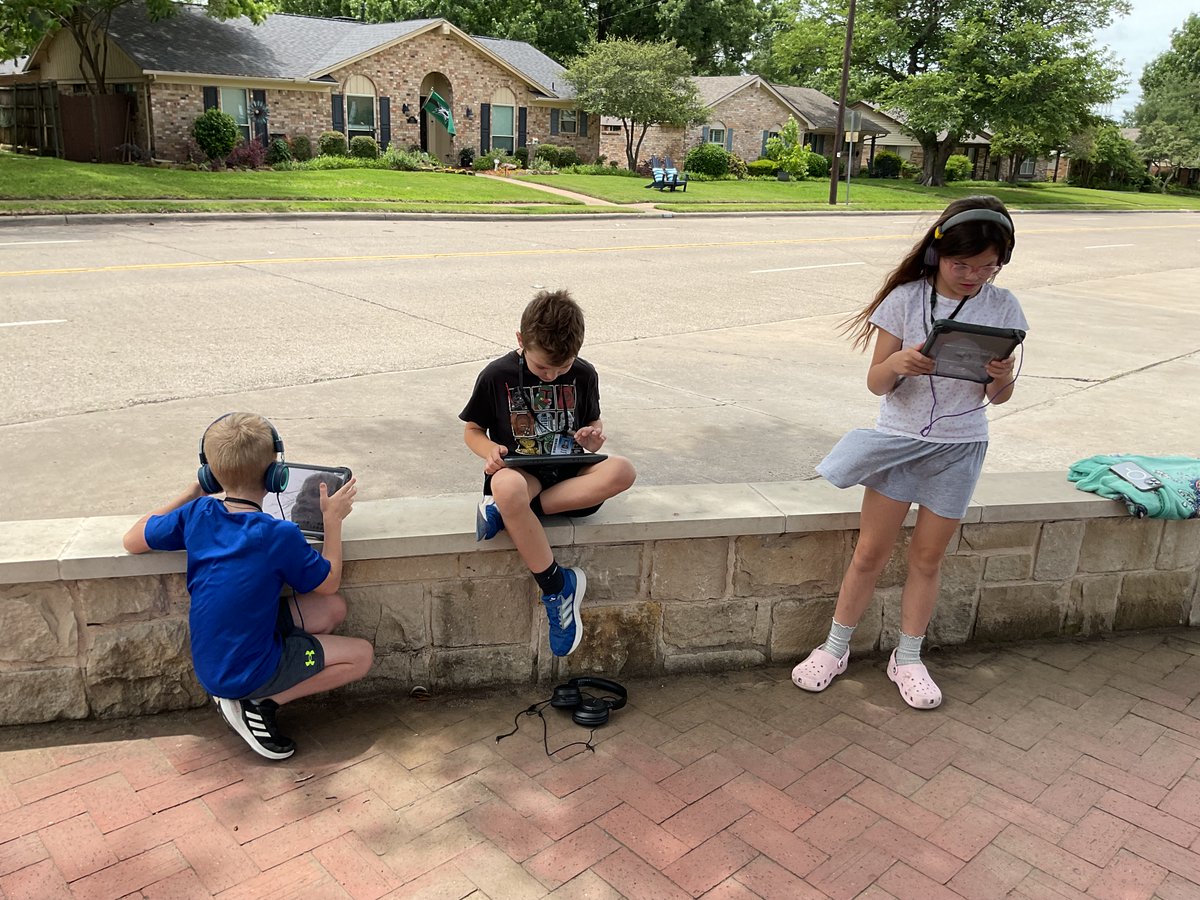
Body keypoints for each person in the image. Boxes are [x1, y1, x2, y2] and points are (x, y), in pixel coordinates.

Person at [792, 196, 1028, 709]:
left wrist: (1004, 379)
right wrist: (898, 361)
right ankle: (834, 649)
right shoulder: (904, 299)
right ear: (935, 254)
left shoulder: (1004, 307)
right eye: (961, 264)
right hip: (899, 443)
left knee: (927, 558)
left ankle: (909, 657)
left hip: (960, 446)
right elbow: (877, 384)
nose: (973, 276)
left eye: (987, 266)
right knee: (870, 553)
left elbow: (999, 397)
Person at [122, 413, 373, 759]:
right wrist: (332, 521)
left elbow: (133, 538)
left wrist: (195, 489)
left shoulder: (197, 513)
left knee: (333, 612)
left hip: (214, 662)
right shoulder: (277, 535)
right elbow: (328, 582)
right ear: (276, 475)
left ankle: (276, 669)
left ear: (210, 473)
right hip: (244, 672)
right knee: (361, 656)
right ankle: (261, 702)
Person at [461, 290, 637, 656]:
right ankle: (557, 585)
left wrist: (592, 438)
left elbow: (592, 423)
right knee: (507, 489)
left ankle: (509, 514)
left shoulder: (585, 374)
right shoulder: (497, 375)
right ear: (521, 341)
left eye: (563, 367)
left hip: (570, 479)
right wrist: (489, 450)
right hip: (523, 473)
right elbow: (472, 430)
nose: (553, 375)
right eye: (543, 369)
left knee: (623, 470)